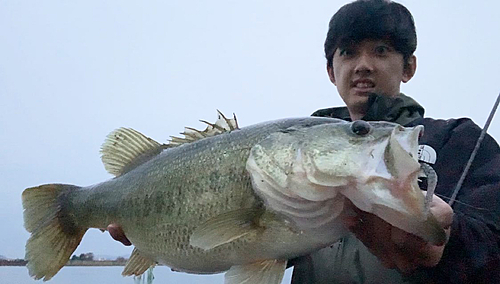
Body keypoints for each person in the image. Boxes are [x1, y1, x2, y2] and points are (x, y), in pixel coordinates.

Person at [108, 0, 500, 283]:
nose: (363, 64)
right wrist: (157, 229)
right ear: (332, 71)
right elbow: (241, 251)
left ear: (409, 66)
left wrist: (451, 246)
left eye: (381, 50)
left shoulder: (460, 141)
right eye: (348, 53)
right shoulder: (296, 160)